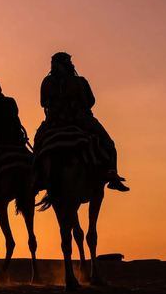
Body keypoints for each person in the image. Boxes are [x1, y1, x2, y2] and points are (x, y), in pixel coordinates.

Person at [37, 52, 129, 192]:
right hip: (78, 120)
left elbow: (43, 103)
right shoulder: (77, 81)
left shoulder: (46, 82)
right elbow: (87, 102)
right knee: (108, 144)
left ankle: (35, 177)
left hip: (53, 123)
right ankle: (112, 173)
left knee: (38, 142)